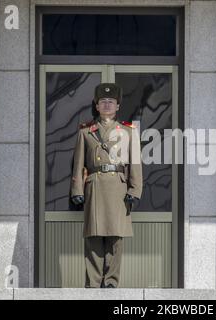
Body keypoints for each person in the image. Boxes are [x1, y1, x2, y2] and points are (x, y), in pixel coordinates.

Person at [70, 83, 143, 288]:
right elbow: (78, 164)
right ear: (97, 105)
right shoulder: (86, 131)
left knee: (115, 237)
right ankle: (93, 282)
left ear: (118, 106)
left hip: (118, 188)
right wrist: (77, 190)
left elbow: (135, 163)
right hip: (94, 186)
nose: (107, 105)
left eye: (111, 102)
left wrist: (134, 190)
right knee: (93, 236)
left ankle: (111, 282)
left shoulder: (128, 132)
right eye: (103, 102)